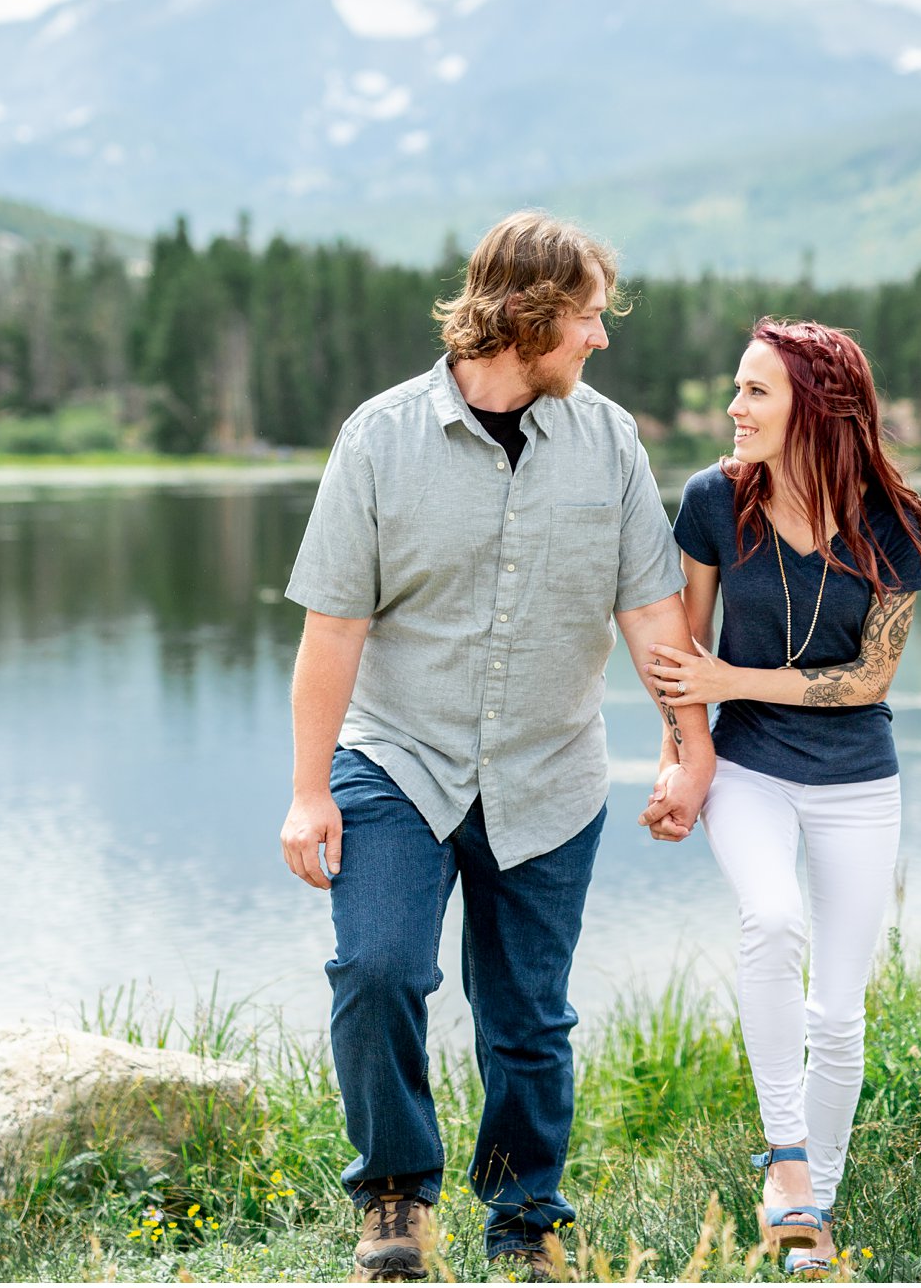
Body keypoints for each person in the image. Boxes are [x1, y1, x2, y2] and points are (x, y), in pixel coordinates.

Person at [279, 211, 715, 1283]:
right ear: (526, 313)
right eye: (588, 317)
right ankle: (393, 1192)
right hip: (396, 758)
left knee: (526, 1016)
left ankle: (523, 1215)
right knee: (375, 967)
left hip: (549, 769)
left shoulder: (608, 440)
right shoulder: (378, 438)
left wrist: (684, 748)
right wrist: (305, 790)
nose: (601, 338)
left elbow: (655, 617)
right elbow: (332, 630)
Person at [639, 319, 921, 1277]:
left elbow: (869, 680)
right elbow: (679, 663)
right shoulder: (709, 502)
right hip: (752, 769)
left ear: (815, 407)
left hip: (859, 781)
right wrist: (682, 762)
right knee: (772, 921)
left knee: (840, 1013)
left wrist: (731, 677)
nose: (734, 408)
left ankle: (813, 1221)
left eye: (755, 392)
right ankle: (785, 1159)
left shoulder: (895, 524)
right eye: (737, 389)